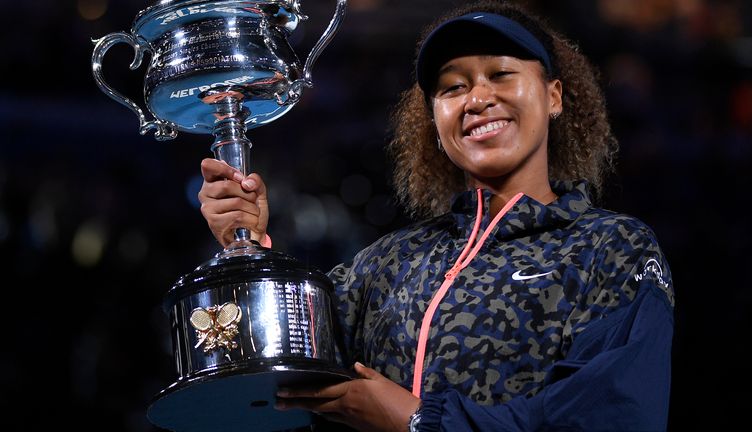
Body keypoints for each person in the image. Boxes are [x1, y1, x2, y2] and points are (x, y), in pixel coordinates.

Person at [197, 1, 675, 430]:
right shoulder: (387, 263)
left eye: (502, 74)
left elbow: (609, 415)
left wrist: (418, 421)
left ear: (553, 96)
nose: (477, 98)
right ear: (434, 121)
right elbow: (284, 370)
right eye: (453, 86)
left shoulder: (610, 248)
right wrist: (250, 247)